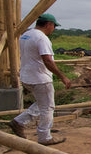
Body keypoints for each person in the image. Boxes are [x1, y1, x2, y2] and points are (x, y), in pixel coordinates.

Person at [9, 13, 71, 146]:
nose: (53, 29)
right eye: (53, 26)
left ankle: (19, 122)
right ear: (48, 24)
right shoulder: (42, 38)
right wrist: (63, 77)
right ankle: (44, 136)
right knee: (48, 107)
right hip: (40, 78)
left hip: (27, 77)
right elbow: (48, 60)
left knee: (42, 104)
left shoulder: (26, 35)